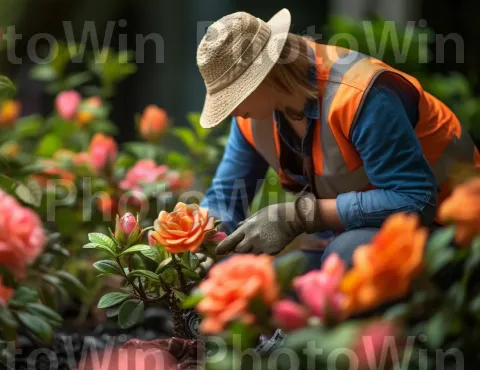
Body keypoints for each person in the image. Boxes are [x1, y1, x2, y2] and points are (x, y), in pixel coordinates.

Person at [195, 9, 480, 269]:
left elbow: (414, 201)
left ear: (265, 76)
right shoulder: (252, 114)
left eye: (233, 95)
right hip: (355, 237)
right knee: (271, 282)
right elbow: (225, 197)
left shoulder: (362, 95)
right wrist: (199, 238)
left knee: (344, 255)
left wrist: (301, 216)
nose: (229, 109)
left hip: (452, 232)